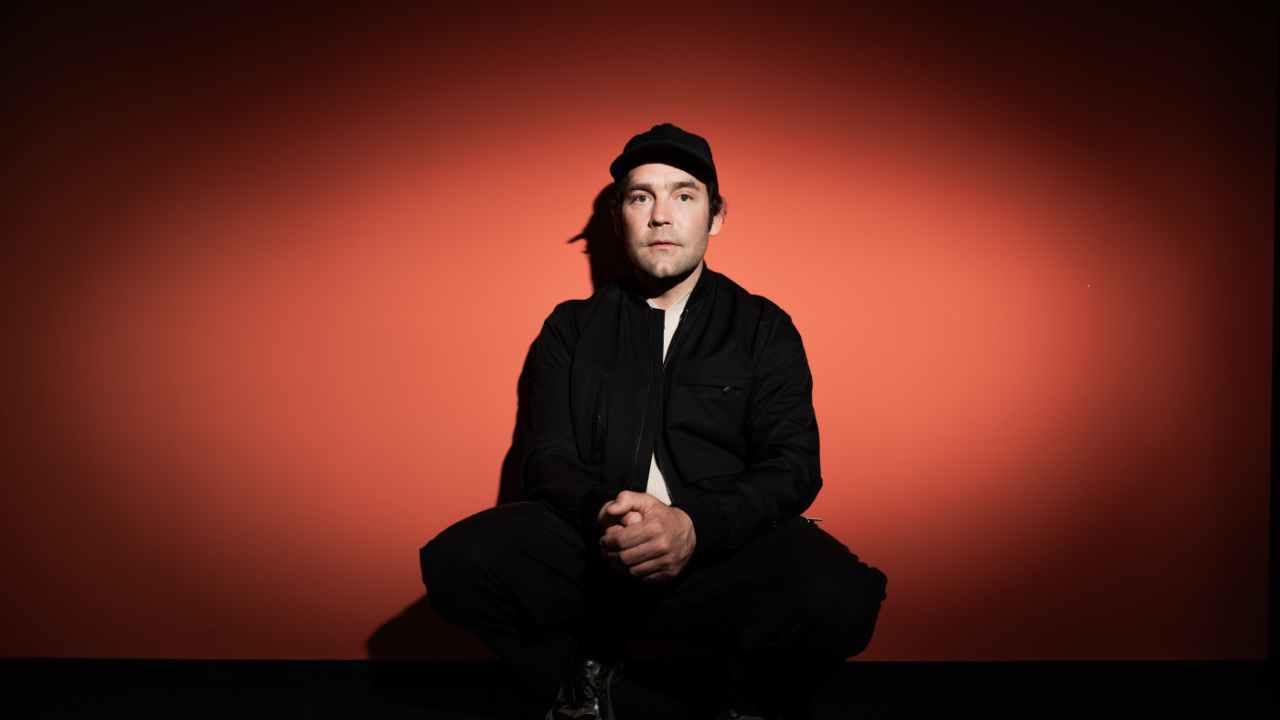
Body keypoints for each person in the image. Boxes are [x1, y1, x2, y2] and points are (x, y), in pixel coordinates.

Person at [421, 123, 886, 720]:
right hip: (598, 554)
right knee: (455, 562)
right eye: (641, 197)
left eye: (684, 195)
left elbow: (792, 465)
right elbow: (545, 458)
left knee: (843, 594)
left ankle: (752, 681)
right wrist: (605, 515)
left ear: (715, 217)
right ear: (619, 220)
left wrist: (694, 525)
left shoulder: (764, 327)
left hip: (720, 555)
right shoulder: (570, 326)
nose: (661, 215)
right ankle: (580, 664)